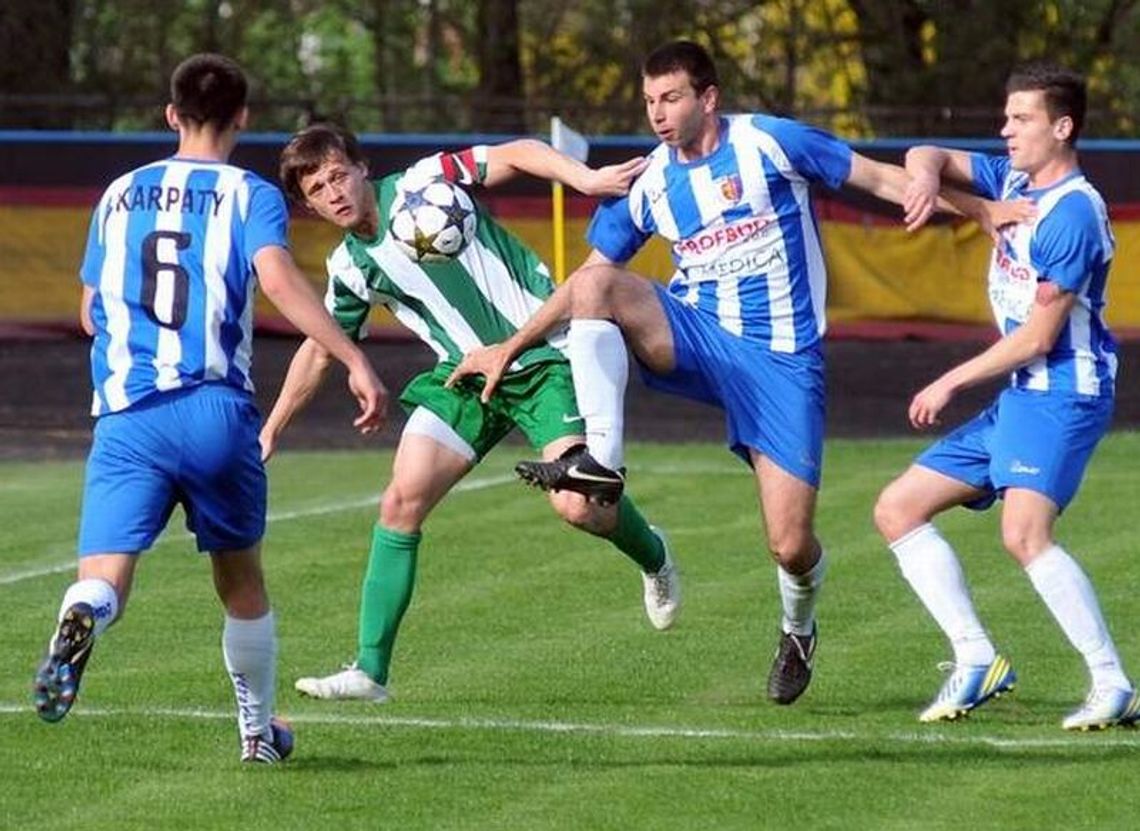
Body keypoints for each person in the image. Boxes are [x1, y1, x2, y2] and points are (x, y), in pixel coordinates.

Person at [448, 39, 1021, 706]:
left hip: (782, 363)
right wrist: (511, 345)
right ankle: (601, 459)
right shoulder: (652, 182)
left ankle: (797, 629)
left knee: (790, 543)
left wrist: (983, 211)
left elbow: (886, 180)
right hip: (697, 336)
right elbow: (585, 283)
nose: (658, 114)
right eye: (648, 102)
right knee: (602, 284)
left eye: (670, 99)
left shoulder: (771, 143)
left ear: (708, 98)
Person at [31, 54, 386, 763]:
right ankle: (258, 734)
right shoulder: (249, 195)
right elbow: (279, 281)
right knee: (240, 580)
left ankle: (81, 614)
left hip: (129, 417)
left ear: (171, 114)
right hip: (216, 412)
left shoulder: (119, 193)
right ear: (243, 117)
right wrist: (353, 358)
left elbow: (92, 308)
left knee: (105, 575)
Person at [262, 123, 679, 702]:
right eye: (317, 190)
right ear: (307, 205)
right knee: (400, 501)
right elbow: (318, 346)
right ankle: (370, 671)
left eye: (337, 176)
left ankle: (654, 556)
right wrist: (272, 427)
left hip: (545, 356)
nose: (333, 193)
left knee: (581, 509)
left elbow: (516, 153)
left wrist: (584, 177)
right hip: (465, 376)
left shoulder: (423, 182)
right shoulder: (351, 269)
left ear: (361, 169)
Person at [874, 62, 1139, 730]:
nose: (1006, 129)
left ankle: (1112, 682)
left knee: (1024, 533)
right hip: (1024, 397)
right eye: (1006, 116)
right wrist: (962, 194)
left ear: (1063, 126)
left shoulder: (1074, 213)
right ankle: (976, 659)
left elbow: (1037, 339)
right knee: (897, 508)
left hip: (1062, 392)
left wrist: (948, 379)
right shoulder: (1012, 181)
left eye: (1021, 119)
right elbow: (922, 155)